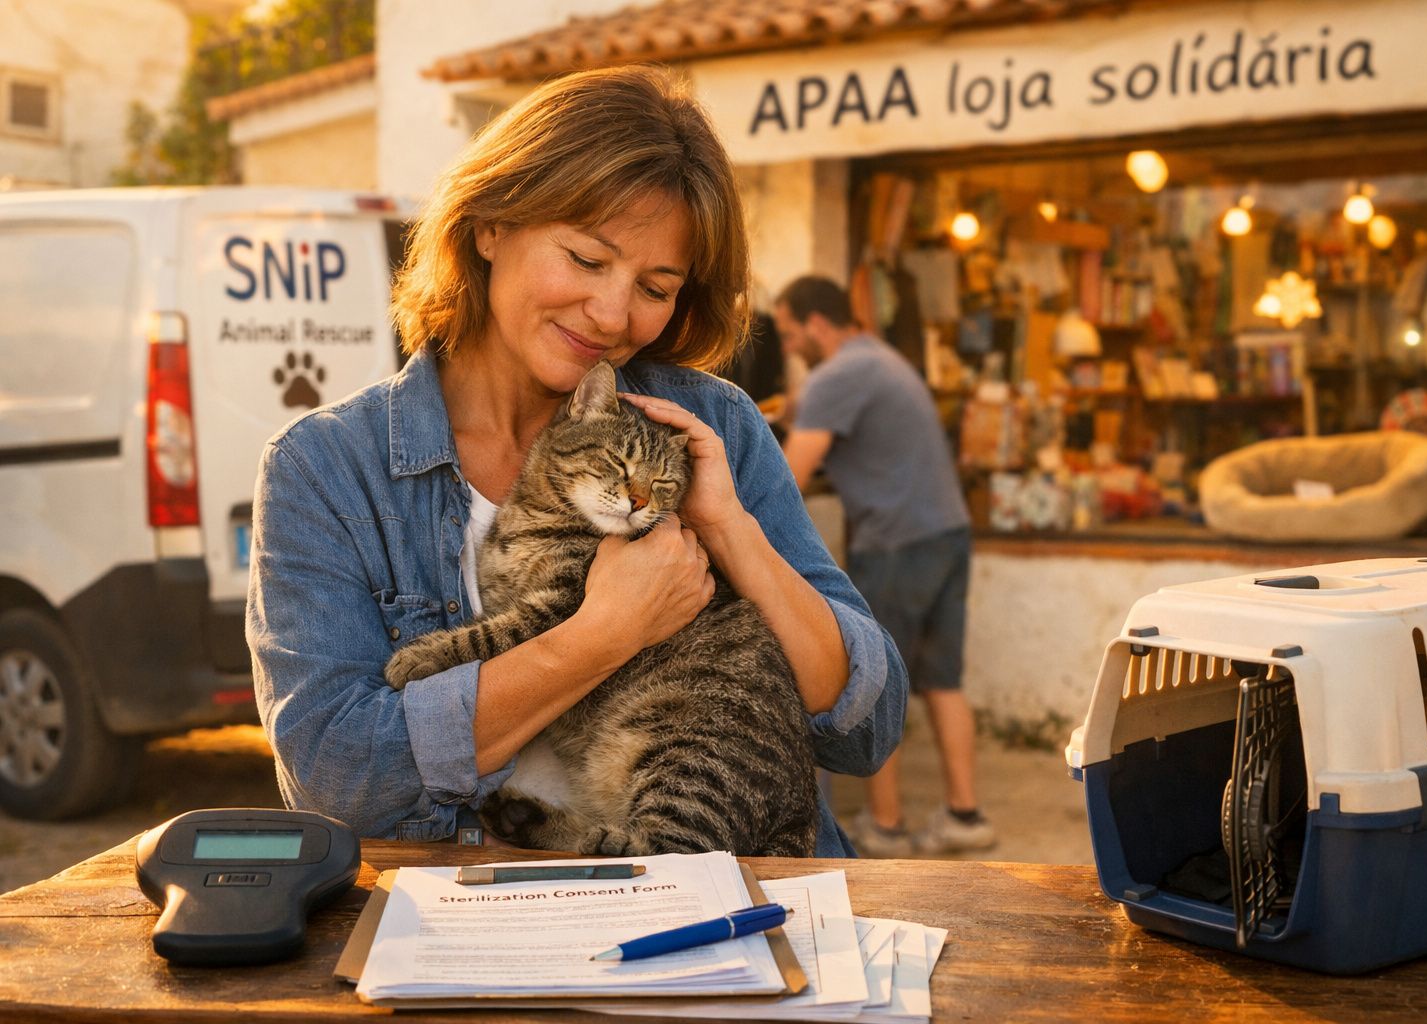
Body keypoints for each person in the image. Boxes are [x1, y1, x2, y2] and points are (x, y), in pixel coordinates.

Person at [245, 67, 906, 857]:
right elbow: (340, 777)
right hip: (481, 929)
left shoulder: (710, 426)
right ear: (490, 224)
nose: (613, 315)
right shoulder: (326, 469)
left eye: (656, 287)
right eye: (589, 261)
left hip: (729, 901)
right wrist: (602, 635)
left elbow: (870, 730)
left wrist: (730, 530)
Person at [775, 276, 995, 857]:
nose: (790, 346)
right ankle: (966, 816)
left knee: (879, 681)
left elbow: (784, 483)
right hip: (944, 533)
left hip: (896, 542)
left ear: (817, 324)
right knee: (942, 679)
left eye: (789, 332)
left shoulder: (835, 377)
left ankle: (887, 827)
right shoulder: (880, 359)